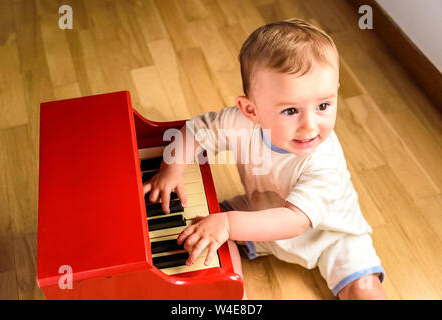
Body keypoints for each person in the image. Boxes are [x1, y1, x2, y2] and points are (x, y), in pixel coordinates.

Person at [143, 19, 386, 300]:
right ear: (251, 110)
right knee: (201, 228)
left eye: (323, 105)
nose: (309, 125)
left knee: (363, 287)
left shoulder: (323, 161)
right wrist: (171, 170)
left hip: (330, 235)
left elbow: (294, 220)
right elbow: (196, 130)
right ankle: (231, 294)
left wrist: (229, 223)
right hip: (261, 211)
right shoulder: (240, 123)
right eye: (291, 110)